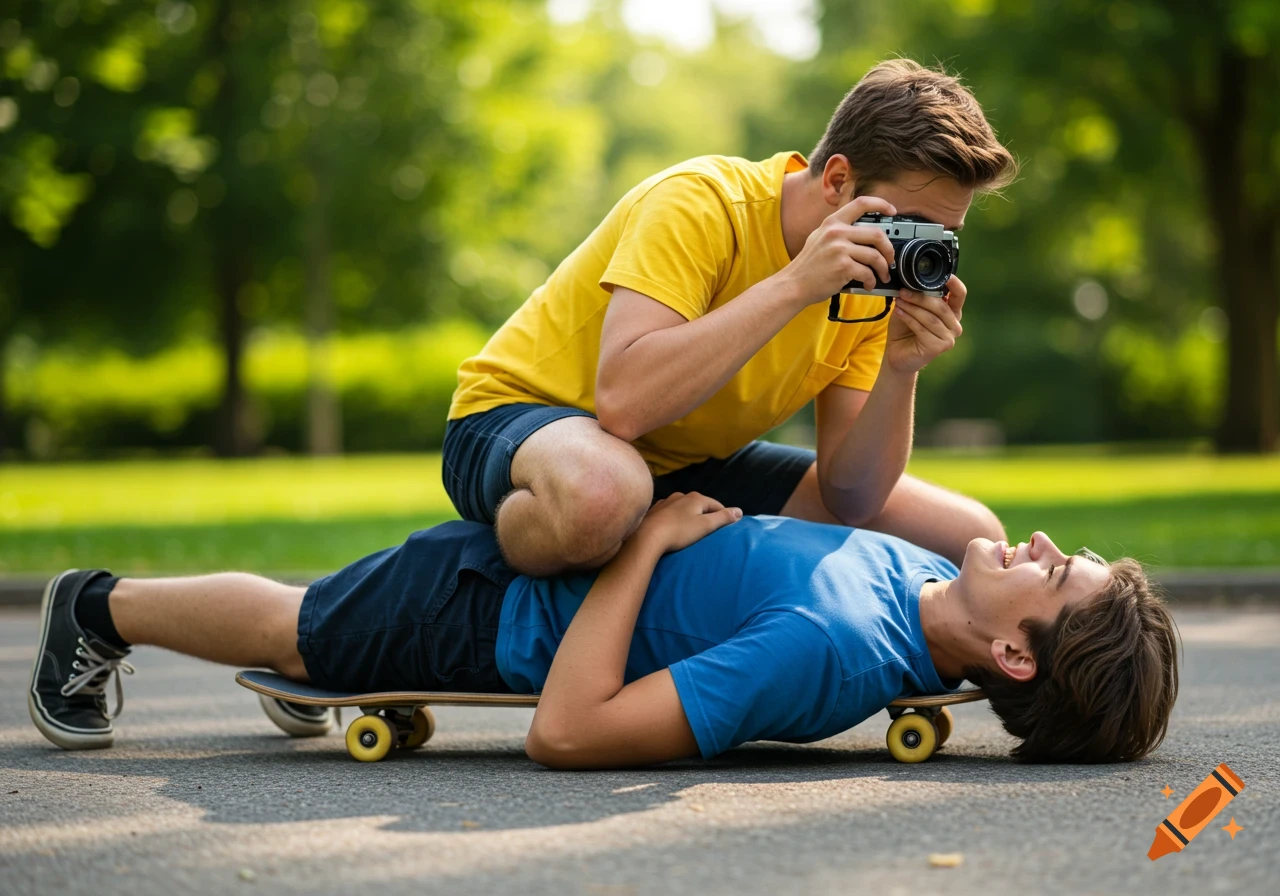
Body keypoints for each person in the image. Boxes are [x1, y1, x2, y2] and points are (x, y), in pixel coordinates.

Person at [28, 493, 1179, 767]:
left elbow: (571, 732)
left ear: (1017, 651)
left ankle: (92, 604)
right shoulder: (925, 576)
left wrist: (642, 545)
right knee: (318, 625)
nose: (1033, 543)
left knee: (299, 621)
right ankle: (314, 664)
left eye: (1052, 571)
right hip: (560, 556)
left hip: (492, 616)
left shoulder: (823, 653)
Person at [444, 59, 1020, 576]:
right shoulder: (701, 203)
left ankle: (632, 539)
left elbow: (852, 499)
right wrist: (795, 285)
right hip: (523, 419)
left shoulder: (874, 271)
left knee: (970, 540)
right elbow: (623, 404)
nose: (917, 249)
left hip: (683, 460)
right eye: (910, 223)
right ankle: (482, 559)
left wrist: (901, 371)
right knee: (602, 495)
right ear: (838, 181)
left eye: (942, 235)